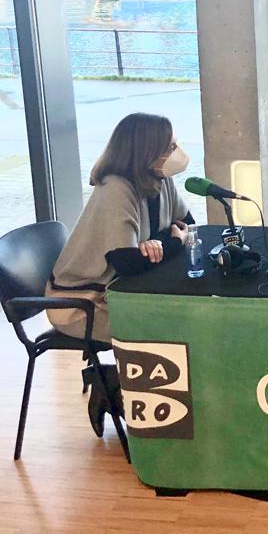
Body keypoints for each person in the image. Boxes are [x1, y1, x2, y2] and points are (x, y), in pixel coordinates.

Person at [45, 113, 195, 437]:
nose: (177, 151)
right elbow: (128, 261)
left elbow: (189, 222)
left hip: (116, 292)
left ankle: (128, 387)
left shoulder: (159, 179)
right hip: (80, 303)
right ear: (146, 150)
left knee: (183, 319)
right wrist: (172, 241)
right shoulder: (115, 188)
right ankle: (112, 385)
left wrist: (165, 242)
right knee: (166, 328)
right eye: (170, 146)